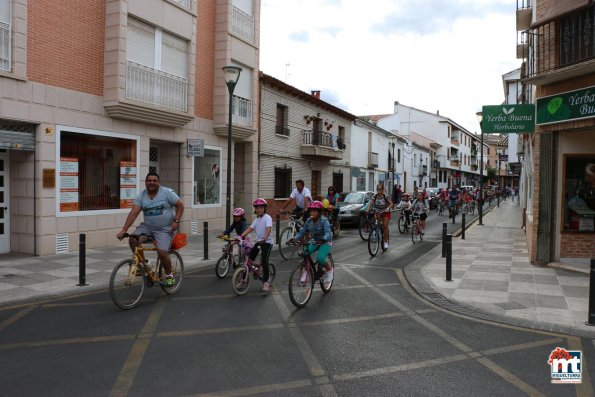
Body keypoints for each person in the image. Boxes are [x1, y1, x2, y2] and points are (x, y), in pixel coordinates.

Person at [117, 172, 184, 287]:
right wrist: (124, 229)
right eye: (149, 181)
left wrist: (176, 221)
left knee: (162, 252)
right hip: (147, 228)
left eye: (154, 180)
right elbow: (134, 213)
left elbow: (180, 205)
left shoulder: (167, 192)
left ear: (158, 182)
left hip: (164, 229)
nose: (151, 182)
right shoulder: (141, 196)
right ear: (145, 182)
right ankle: (144, 266)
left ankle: (169, 276)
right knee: (133, 239)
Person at [290, 201, 333, 288]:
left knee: (320, 259)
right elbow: (302, 231)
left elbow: (328, 233)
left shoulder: (324, 220)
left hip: (325, 242)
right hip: (315, 241)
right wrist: (295, 238)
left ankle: (329, 270)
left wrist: (323, 239)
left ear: (320, 212)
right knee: (305, 253)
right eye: (311, 211)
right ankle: (306, 271)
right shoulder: (309, 221)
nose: (312, 213)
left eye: (314, 211)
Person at [240, 198, 273, 292]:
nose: (259, 209)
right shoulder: (256, 220)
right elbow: (250, 229)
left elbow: (268, 228)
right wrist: (241, 236)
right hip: (259, 242)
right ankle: (243, 279)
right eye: (257, 208)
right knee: (248, 260)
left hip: (267, 242)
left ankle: (266, 282)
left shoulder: (268, 218)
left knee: (264, 260)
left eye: (261, 207)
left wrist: (265, 238)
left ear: (264, 208)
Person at [367, 183, 394, 249]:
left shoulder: (385, 196)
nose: (379, 190)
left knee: (385, 226)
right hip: (378, 211)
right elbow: (371, 203)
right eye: (377, 189)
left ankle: (385, 241)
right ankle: (375, 231)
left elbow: (391, 204)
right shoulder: (375, 196)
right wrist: (367, 209)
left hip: (385, 212)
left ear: (383, 189)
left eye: (380, 189)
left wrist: (388, 208)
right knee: (375, 221)